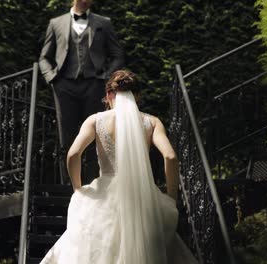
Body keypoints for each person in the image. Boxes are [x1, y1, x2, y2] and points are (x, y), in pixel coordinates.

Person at [40, 70, 198, 264]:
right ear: (137, 96)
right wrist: (171, 198)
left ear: (108, 95)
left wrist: (78, 189)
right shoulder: (152, 122)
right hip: (142, 195)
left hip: (104, 194)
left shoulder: (95, 120)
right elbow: (171, 156)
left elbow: (73, 154)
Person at [39, 0, 124, 183]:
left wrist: (105, 77)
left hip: (94, 85)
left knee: (97, 134)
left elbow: (117, 55)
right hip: (65, 86)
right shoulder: (56, 23)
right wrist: (52, 78)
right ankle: (68, 185)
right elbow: (44, 57)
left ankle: (95, 182)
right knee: (66, 136)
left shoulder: (104, 23)